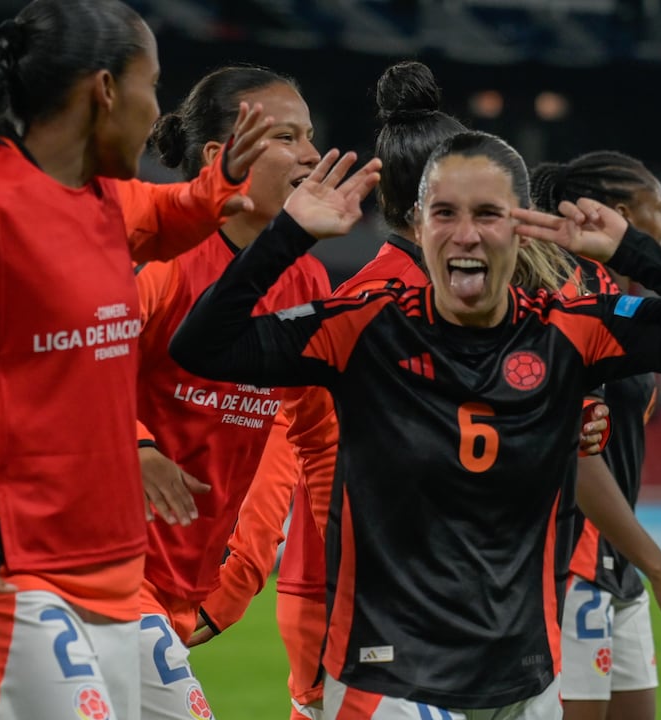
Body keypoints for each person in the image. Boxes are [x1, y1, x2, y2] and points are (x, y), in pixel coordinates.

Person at [171, 132, 661, 717]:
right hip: (393, 680)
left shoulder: (567, 330)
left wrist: (629, 250)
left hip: (524, 680)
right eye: (445, 213)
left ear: (522, 226)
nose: (466, 233)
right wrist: (288, 236)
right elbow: (201, 345)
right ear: (419, 225)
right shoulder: (363, 327)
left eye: (488, 214)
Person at [0, 1, 269, 717]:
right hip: (0, 568)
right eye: (152, 86)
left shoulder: (101, 200)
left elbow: (168, 215)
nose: (157, 111)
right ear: (106, 90)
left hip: (112, 574)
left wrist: (219, 187)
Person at [189, 62, 608, 720]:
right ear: (427, 206)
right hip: (361, 598)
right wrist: (238, 578)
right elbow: (292, 438)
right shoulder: (366, 312)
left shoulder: (486, 307)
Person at [131, 65, 331, 720]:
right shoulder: (160, 260)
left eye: (309, 136)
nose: (311, 155)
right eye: (287, 137)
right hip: (100, 567)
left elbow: (316, 436)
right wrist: (136, 444)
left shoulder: (306, 281)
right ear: (224, 156)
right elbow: (72, 375)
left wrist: (347, 553)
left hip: (183, 581)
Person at [530, 150, 661, 720]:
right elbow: (577, 454)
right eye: (660, 210)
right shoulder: (571, 299)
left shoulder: (620, 302)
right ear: (622, 213)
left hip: (618, 563)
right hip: (574, 560)